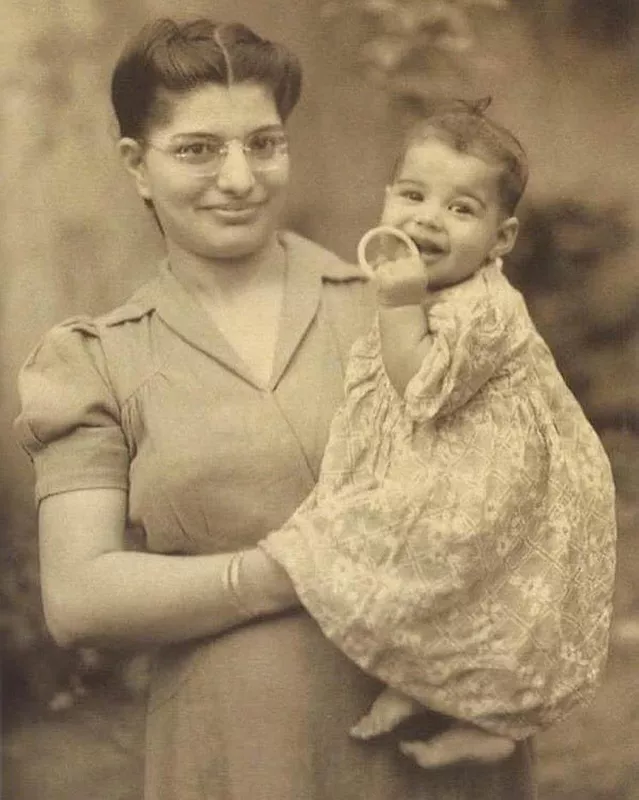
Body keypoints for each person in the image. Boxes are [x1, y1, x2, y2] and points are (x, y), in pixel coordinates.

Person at [15, 17, 538, 800]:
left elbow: (525, 503)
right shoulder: (95, 358)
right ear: (137, 165)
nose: (239, 178)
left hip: (432, 743)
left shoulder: (408, 311)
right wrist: (290, 572)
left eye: (263, 143)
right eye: (198, 149)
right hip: (236, 754)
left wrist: (511, 695)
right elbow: (81, 599)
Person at [261, 99, 617, 767]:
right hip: (458, 456)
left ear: (499, 239)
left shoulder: (484, 307)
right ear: (387, 198)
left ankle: (491, 723)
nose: (427, 217)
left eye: (460, 209)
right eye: (413, 194)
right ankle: (425, 686)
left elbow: (420, 386)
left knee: (443, 564)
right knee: (437, 579)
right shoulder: (436, 288)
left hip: (496, 482)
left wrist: (397, 303)